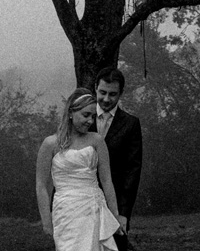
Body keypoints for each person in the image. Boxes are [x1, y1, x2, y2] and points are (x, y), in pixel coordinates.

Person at [36, 88, 126, 251]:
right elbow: (41, 185)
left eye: (93, 116)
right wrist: (46, 221)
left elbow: (107, 181)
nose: (90, 121)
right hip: (65, 211)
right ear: (71, 113)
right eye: (86, 115)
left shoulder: (96, 141)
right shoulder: (50, 144)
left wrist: (115, 215)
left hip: (93, 207)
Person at [94, 67, 143, 251]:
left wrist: (123, 214)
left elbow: (132, 172)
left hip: (113, 206)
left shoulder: (130, 125)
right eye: (102, 93)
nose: (106, 99)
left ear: (121, 93)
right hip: (81, 203)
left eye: (113, 94)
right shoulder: (81, 119)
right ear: (95, 89)